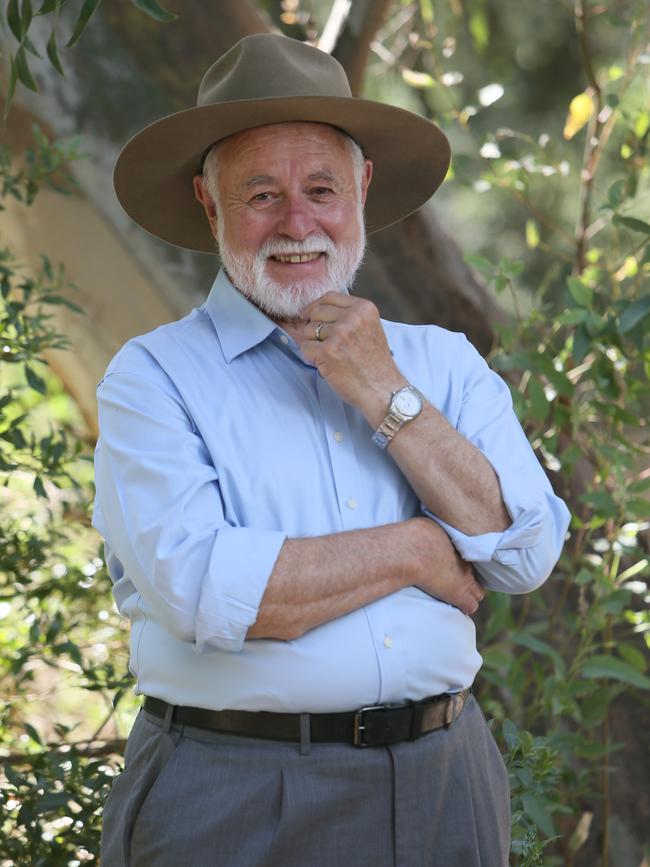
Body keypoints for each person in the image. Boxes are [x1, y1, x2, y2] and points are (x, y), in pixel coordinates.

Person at [94, 33, 570, 867]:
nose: (297, 223)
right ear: (210, 205)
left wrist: (384, 392)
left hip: (447, 780)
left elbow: (525, 549)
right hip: (233, 790)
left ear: (362, 188)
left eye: (321, 189)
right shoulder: (153, 376)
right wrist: (422, 547)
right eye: (262, 195)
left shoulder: (441, 361)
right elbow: (208, 589)